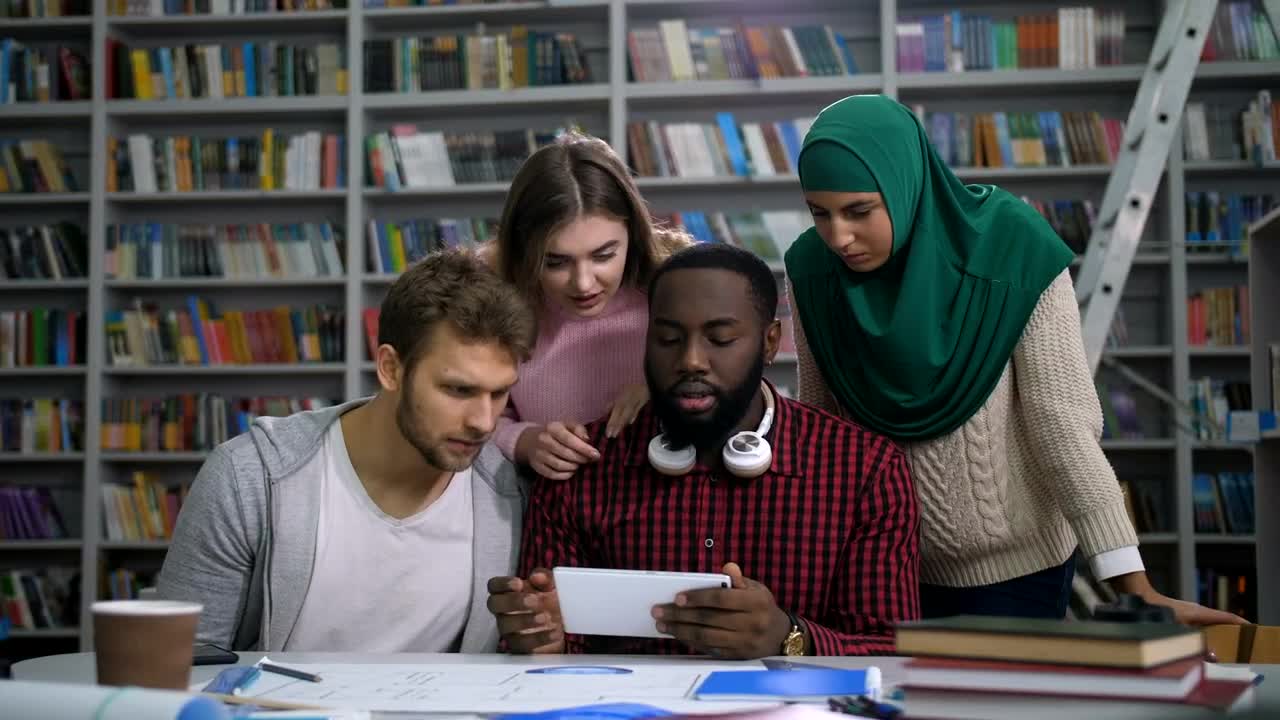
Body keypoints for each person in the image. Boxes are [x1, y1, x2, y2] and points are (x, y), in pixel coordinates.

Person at [783, 93, 1245, 625]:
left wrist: (1136, 588)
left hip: (1019, 571)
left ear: (906, 183)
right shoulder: (812, 270)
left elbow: (1062, 425)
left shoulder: (1012, 249)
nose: (840, 236)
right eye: (821, 213)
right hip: (880, 569)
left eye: (860, 210)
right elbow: (821, 428)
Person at [487, 243, 920, 659]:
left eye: (720, 338)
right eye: (669, 339)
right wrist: (542, 636)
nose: (691, 360)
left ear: (769, 343)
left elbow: (889, 648)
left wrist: (788, 636)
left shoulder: (865, 469)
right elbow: (552, 643)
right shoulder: (581, 465)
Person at [156, 249, 538, 652]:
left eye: (499, 393)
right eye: (458, 390)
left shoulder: (510, 493)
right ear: (391, 368)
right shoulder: (248, 480)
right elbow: (174, 668)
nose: (483, 420)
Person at [488, 131, 690, 481]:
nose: (583, 283)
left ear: (635, 233)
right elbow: (467, 413)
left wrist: (670, 393)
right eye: (555, 262)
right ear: (524, 250)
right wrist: (525, 440)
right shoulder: (495, 301)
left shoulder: (678, 289)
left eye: (604, 255)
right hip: (547, 511)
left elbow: (740, 393)